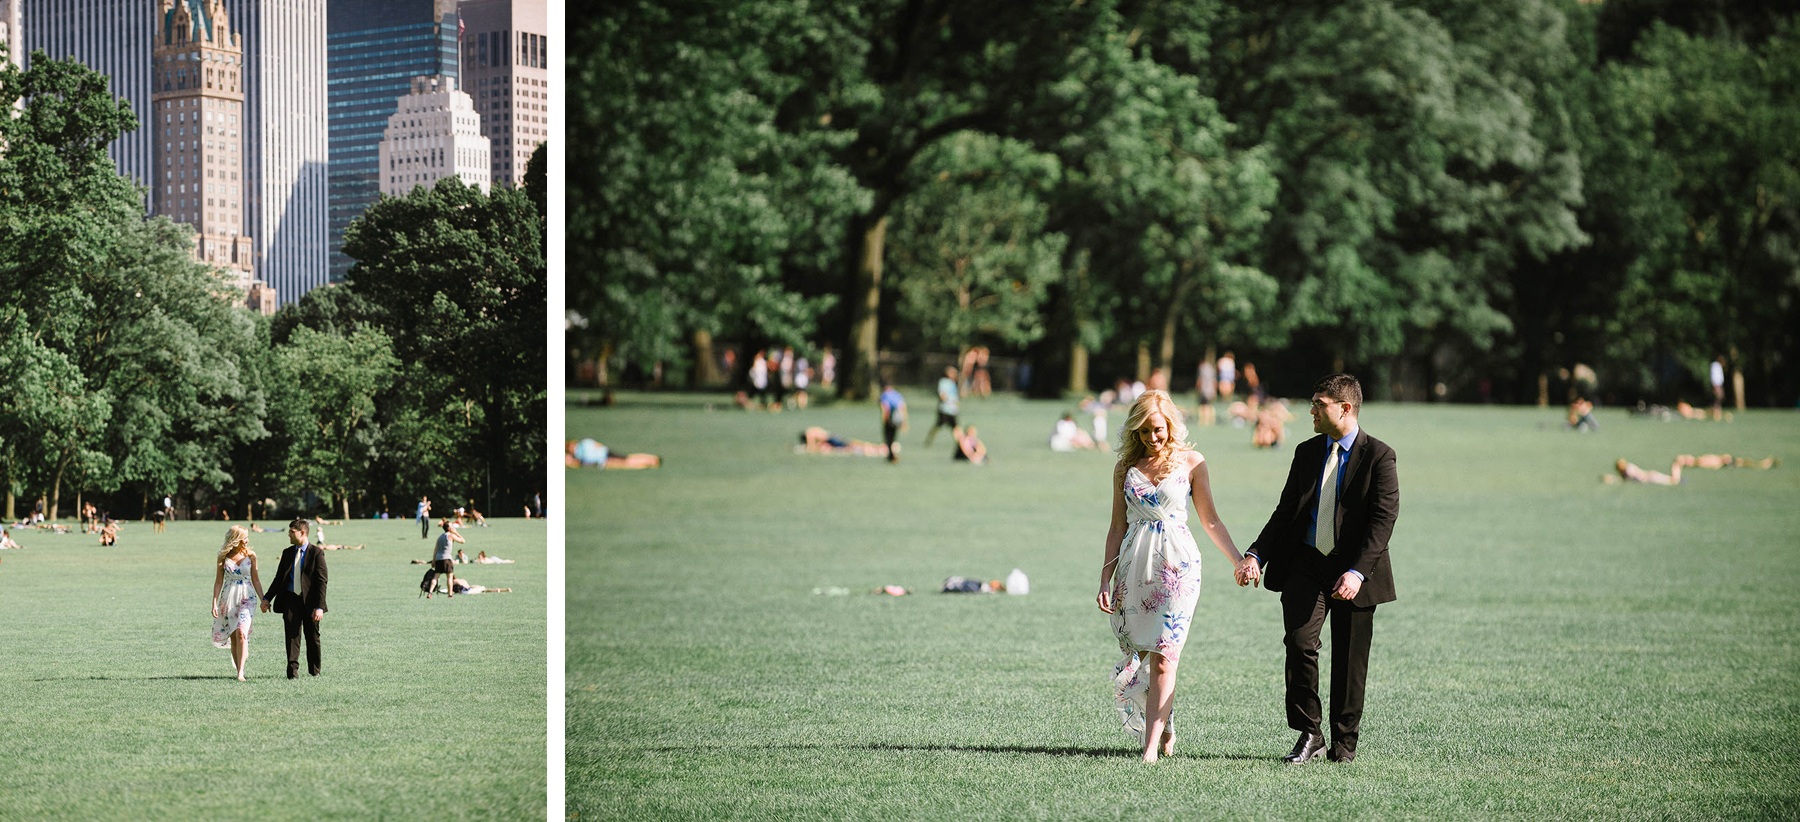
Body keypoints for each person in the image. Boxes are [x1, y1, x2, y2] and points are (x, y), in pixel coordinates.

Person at [1239, 374, 1400, 765]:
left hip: (1354, 572)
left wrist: (1357, 572)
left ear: (1345, 409)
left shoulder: (1380, 456)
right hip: (1305, 564)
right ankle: (1310, 734)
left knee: (1349, 661)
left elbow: (1384, 519)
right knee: (1298, 643)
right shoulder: (1306, 452)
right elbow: (1285, 513)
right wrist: (1256, 554)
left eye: (1319, 404)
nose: (1310, 410)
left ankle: (1344, 746)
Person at [1097, 390, 1255, 762]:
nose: (1154, 437)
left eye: (1160, 429)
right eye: (1146, 431)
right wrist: (1104, 579)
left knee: (1166, 656)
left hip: (1178, 569)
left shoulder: (1192, 462)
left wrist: (1237, 559)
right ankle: (1164, 724)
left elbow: (1210, 520)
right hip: (1135, 566)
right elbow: (1116, 527)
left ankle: (1149, 748)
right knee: (1146, 654)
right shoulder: (1124, 468)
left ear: (1171, 424)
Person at [265, 518, 328, 679]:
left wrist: (319, 607)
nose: (289, 535)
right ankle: (292, 673)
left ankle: (315, 671)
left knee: (312, 637)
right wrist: (267, 598)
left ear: (302, 533)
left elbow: (322, 582)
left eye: (292, 532)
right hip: (291, 600)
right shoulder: (287, 553)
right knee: (292, 637)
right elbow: (278, 579)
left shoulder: (317, 553)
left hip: (311, 603)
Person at [211, 525, 267, 681]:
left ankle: (241, 672)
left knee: (242, 632)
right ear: (235, 540)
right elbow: (218, 581)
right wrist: (214, 603)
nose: (247, 541)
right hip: (229, 597)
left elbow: (255, 579)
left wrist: (263, 599)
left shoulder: (251, 556)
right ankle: (238, 670)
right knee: (234, 635)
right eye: (244, 538)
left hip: (247, 597)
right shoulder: (223, 556)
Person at [426, 519, 468, 598]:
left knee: (436, 576)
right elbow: (463, 541)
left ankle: (430, 593)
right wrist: (455, 532)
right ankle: (450, 594)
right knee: (449, 577)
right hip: (447, 559)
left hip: (438, 558)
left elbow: (435, 550)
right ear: (449, 528)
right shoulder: (450, 535)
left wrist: (434, 560)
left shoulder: (439, 537)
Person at [566, 438, 662, 469]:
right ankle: (648, 462)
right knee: (626, 463)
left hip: (605, 454)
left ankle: (651, 460)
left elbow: (598, 445)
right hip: (602, 461)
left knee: (627, 460)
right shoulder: (576, 455)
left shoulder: (584, 443)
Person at [925, 366, 961, 447]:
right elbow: (942, 395)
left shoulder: (953, 383)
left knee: (955, 427)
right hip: (944, 409)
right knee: (938, 426)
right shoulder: (943, 382)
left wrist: (956, 404)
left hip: (953, 410)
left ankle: (960, 444)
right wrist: (948, 400)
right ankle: (929, 440)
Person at [797, 427, 889, 457]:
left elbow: (811, 446)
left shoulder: (809, 434)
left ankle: (871, 447)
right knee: (849, 443)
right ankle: (874, 446)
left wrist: (806, 448)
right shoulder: (812, 429)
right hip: (832, 436)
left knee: (849, 446)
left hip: (831, 438)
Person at [878, 379, 906, 464]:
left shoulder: (884, 395)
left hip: (889, 419)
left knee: (888, 438)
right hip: (898, 420)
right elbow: (902, 407)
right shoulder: (897, 395)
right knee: (893, 437)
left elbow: (885, 408)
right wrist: (904, 422)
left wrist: (884, 419)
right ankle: (892, 455)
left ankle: (891, 456)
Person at [1604, 458, 1682, 485]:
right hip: (1650, 476)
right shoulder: (1629, 467)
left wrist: (1612, 479)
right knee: (1672, 480)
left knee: (1674, 481)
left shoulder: (1629, 470)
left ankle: (1677, 465)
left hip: (1651, 478)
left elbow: (1625, 479)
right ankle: (1677, 466)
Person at [1195, 356, 1217, 427]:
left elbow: (1200, 380)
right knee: (1209, 405)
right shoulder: (1211, 368)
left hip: (1204, 390)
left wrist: (1198, 388)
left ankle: (1203, 420)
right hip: (1211, 390)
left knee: (1203, 406)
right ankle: (1210, 419)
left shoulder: (1202, 368)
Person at [1710, 355, 1727, 420]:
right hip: (1716, 384)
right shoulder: (1715, 366)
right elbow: (1714, 376)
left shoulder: (1718, 366)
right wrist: (1715, 386)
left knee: (1720, 397)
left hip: (1719, 384)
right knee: (1718, 397)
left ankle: (1717, 411)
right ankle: (1715, 411)